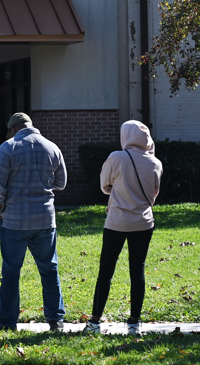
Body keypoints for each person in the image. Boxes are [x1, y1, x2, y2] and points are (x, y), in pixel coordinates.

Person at [84, 121, 162, 336]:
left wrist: (118, 189)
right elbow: (154, 194)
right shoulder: (155, 162)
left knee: (106, 271)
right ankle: (134, 323)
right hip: (143, 222)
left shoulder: (117, 157)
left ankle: (95, 321)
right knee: (137, 271)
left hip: (117, 221)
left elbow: (104, 185)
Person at [0, 112, 67, 332]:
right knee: (49, 269)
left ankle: (7, 322)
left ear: (13, 128)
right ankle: (55, 319)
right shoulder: (52, 147)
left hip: (14, 220)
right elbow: (61, 183)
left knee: (11, 272)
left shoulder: (7, 148)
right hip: (45, 218)